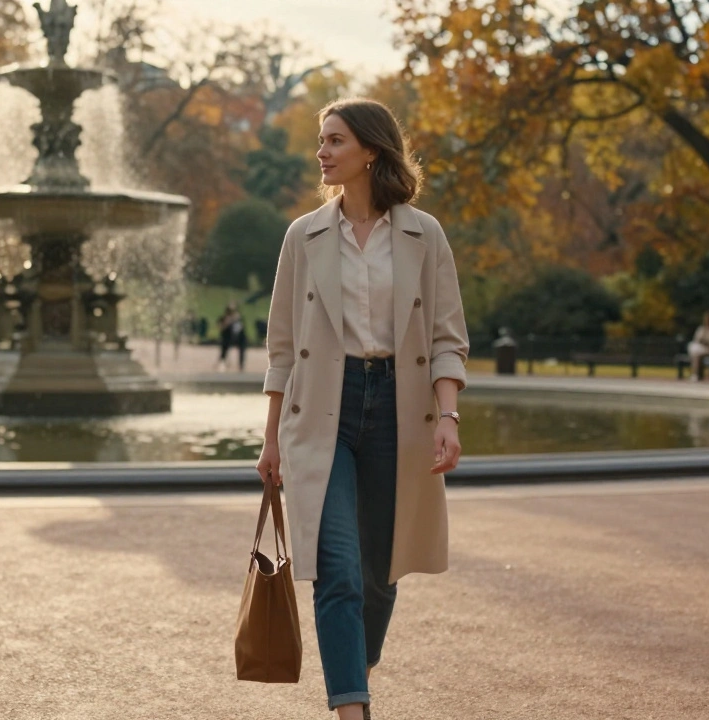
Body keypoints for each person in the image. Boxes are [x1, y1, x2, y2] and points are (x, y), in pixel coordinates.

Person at [256, 98, 469, 720]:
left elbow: (447, 336)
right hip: (322, 408)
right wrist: (270, 440)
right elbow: (280, 347)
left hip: (400, 412)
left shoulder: (423, 234)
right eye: (321, 141)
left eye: (335, 141)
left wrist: (448, 417)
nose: (321, 152)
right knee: (338, 568)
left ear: (370, 151)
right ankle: (353, 708)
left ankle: (357, 664)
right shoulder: (304, 235)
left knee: (381, 570)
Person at [217, 303, 247, 371]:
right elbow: (221, 327)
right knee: (224, 346)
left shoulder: (239, 319)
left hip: (239, 338)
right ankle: (222, 362)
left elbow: (242, 328)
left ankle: (241, 365)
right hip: (227, 338)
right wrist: (228, 321)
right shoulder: (224, 318)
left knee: (242, 346)